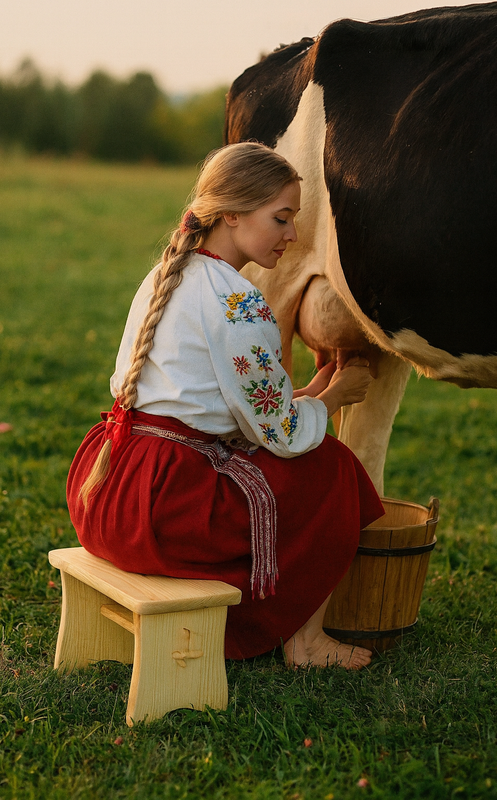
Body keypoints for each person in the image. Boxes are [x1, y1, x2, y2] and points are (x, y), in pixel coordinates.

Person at [67, 142, 384, 669]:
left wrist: (306, 393)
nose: (293, 235)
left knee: (307, 458)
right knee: (334, 469)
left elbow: (215, 406)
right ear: (231, 214)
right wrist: (333, 398)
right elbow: (281, 434)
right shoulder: (238, 301)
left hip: (108, 492)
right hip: (164, 510)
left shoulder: (167, 273)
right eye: (281, 218)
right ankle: (305, 642)